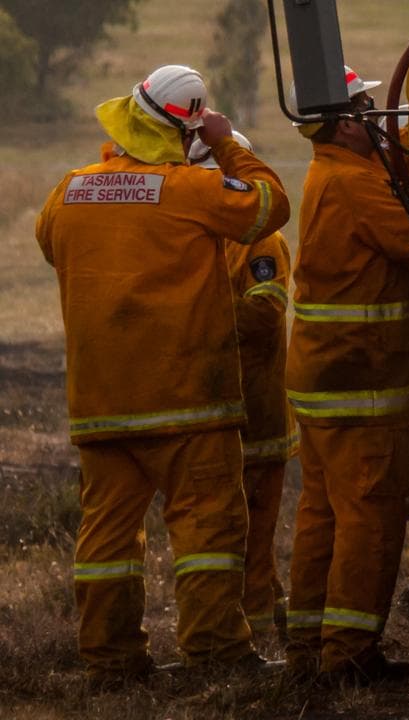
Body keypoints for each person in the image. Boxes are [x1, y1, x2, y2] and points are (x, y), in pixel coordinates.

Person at [35, 65, 290, 688]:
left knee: (106, 544)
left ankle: (111, 663)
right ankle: (216, 651)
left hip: (100, 407)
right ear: (188, 129)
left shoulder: (68, 190)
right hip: (187, 403)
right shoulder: (187, 190)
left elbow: (52, 245)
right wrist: (227, 142)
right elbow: (269, 205)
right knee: (207, 529)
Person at [284, 65, 409, 684]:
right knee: (369, 513)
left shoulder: (331, 172)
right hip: (358, 379)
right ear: (344, 123)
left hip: (323, 376)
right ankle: (348, 654)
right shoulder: (353, 182)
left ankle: (308, 646)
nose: (379, 116)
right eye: (368, 108)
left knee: (323, 513)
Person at [189, 131, 297, 643]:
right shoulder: (199, 235)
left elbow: (266, 310)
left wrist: (192, 320)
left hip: (257, 415)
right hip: (215, 410)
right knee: (231, 524)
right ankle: (268, 604)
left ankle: (253, 620)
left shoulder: (260, 241)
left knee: (253, 525)